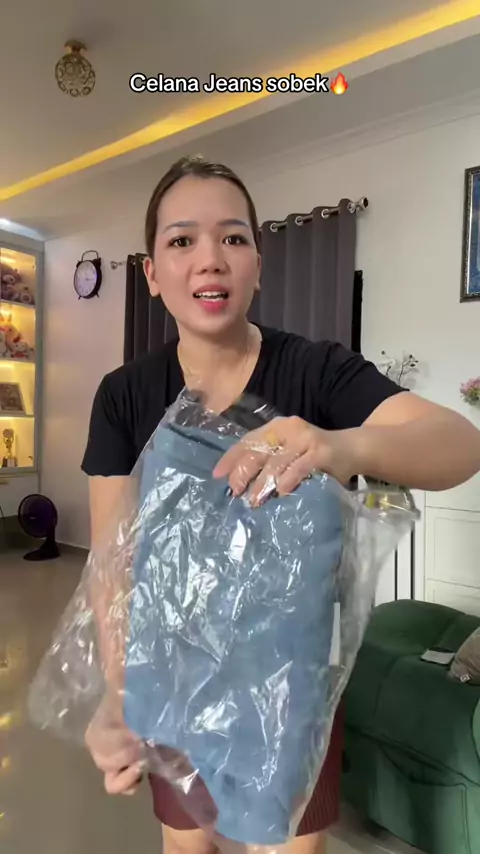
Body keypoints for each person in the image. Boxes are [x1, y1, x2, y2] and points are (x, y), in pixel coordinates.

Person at [81, 154, 480, 854]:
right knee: (189, 842)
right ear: (152, 273)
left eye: (233, 238)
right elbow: (114, 565)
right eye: (182, 240)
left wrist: (340, 446)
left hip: (292, 685)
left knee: (289, 845)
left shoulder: (317, 372)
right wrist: (117, 694)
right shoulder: (125, 395)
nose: (210, 258)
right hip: (175, 671)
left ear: (258, 266)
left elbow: (460, 445)